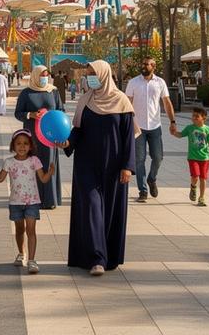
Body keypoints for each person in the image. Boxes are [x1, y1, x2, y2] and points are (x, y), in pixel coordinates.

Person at [57, 60, 135, 276]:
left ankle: (107, 255)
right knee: (91, 207)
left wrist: (128, 166)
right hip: (86, 163)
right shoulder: (86, 100)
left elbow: (129, 137)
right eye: (88, 73)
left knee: (109, 210)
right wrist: (67, 143)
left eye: (93, 73)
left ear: (104, 74)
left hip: (114, 165)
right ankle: (96, 258)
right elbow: (77, 130)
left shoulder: (121, 101)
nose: (90, 76)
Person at [0, 130, 55, 274]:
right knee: (20, 230)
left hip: (32, 202)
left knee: (31, 230)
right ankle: (21, 253)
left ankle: (32, 260)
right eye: (18, 143)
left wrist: (50, 172)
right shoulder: (9, 162)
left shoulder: (35, 161)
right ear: (13, 145)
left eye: (26, 143)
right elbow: (0, 178)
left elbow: (43, 179)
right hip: (15, 203)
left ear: (31, 146)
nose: (22, 146)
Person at [125, 57, 176, 203]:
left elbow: (166, 102)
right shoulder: (133, 82)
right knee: (139, 160)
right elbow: (127, 103)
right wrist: (126, 123)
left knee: (158, 157)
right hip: (138, 126)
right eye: (143, 63)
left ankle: (151, 178)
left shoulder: (160, 82)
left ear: (153, 66)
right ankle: (143, 190)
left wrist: (172, 121)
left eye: (147, 64)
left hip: (155, 126)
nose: (144, 66)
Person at [14, 64, 65, 209]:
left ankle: (50, 199)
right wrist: (30, 115)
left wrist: (51, 117)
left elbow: (61, 110)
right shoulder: (26, 93)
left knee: (49, 164)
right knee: (33, 165)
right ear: (35, 75)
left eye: (46, 75)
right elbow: (18, 113)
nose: (44, 77)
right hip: (32, 136)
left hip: (49, 135)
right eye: (41, 75)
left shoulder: (53, 91)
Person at [179, 107, 209, 206]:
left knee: (203, 178)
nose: (194, 118)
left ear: (203, 118)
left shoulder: (207, 129)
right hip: (192, 157)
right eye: (193, 116)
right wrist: (173, 132)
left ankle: (202, 197)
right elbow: (180, 135)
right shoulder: (189, 128)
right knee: (195, 176)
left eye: (197, 116)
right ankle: (193, 187)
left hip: (205, 158)